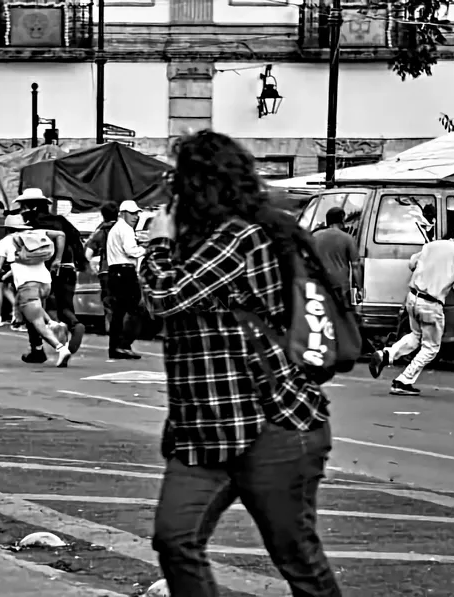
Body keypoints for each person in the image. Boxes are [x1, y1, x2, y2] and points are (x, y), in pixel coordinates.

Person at [143, 130, 340, 597]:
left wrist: (156, 244)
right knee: (174, 539)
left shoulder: (239, 238)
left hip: (272, 424)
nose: (172, 193)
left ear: (202, 184)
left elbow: (164, 296)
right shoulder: (199, 244)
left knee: (297, 557)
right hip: (204, 431)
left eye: (180, 181)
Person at [369, 221, 454, 395]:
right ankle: (402, 381)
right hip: (431, 304)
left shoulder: (432, 245)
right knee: (431, 347)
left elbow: (412, 264)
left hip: (413, 297)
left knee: (415, 335)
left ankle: (386, 355)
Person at [16, 188, 88, 362]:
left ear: (30, 207)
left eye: (23, 207)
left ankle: (37, 349)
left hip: (44, 272)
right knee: (65, 307)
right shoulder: (61, 221)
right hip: (68, 269)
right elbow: (76, 241)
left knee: (33, 309)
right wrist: (80, 262)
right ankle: (74, 325)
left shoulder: (33, 225)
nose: (21, 211)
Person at [0, 214, 71, 366]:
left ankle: (61, 348)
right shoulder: (37, 233)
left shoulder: (7, 241)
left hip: (27, 286)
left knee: (37, 322)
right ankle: (51, 328)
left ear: (7, 228)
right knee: (35, 313)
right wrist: (58, 259)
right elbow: (61, 234)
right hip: (45, 283)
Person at [106, 200, 146, 360]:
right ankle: (123, 344)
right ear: (123, 214)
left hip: (115, 271)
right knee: (136, 309)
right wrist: (146, 249)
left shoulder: (116, 229)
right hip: (124, 271)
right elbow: (131, 251)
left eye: (137, 213)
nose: (135, 217)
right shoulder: (126, 229)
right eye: (132, 213)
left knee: (119, 311)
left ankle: (117, 346)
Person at [313, 206, 361, 305]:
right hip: (342, 288)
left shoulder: (315, 236)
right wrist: (360, 290)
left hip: (320, 286)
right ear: (342, 219)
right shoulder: (348, 239)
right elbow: (356, 266)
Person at [84, 201, 120, 332]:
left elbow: (87, 255)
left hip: (106, 271)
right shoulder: (125, 230)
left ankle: (110, 328)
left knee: (108, 301)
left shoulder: (100, 233)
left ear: (103, 215)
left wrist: (92, 269)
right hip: (124, 270)